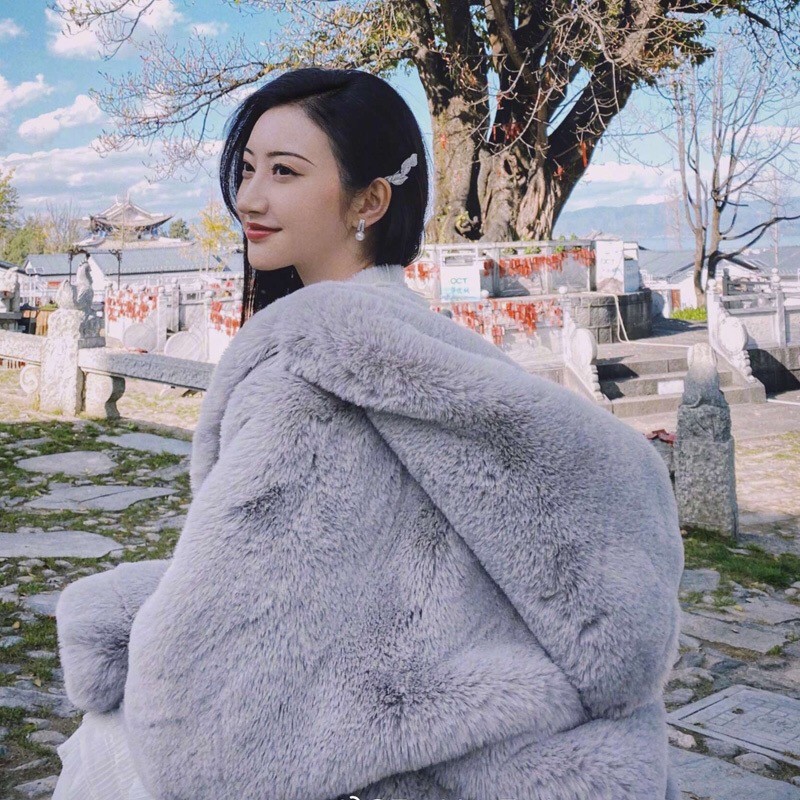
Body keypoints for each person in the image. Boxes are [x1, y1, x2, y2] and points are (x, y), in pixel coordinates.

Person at [54, 67, 684, 799]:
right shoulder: (427, 342)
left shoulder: (303, 381)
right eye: (248, 168)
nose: (248, 198)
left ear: (370, 200)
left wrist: (131, 644)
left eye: (284, 172)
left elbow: (212, 710)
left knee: (104, 749)